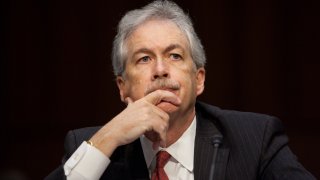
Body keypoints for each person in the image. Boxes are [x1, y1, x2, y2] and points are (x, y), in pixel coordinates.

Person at [45, 1, 316, 180]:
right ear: (122, 87)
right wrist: (109, 137)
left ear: (198, 80)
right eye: (144, 58)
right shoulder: (96, 146)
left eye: (174, 56)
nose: (161, 70)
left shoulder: (254, 140)